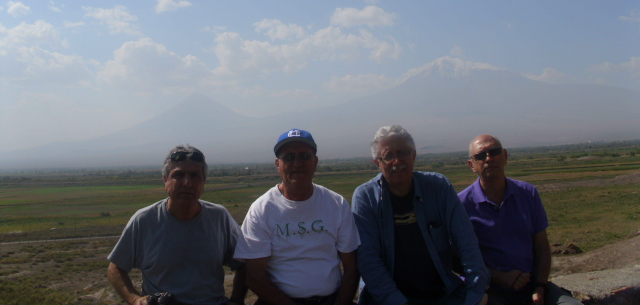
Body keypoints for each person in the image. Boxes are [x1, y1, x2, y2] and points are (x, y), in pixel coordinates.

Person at [352, 125, 489, 305]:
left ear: (414, 155)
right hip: (387, 298)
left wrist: (476, 293)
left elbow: (467, 243)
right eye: (388, 156)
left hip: (442, 294)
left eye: (403, 153)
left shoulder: (438, 187)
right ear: (378, 162)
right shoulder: (366, 198)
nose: (397, 161)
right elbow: (369, 261)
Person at [233, 128, 360, 305]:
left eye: (304, 156)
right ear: (278, 164)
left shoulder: (336, 204)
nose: (297, 163)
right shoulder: (262, 210)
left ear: (315, 162)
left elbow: (352, 268)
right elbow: (254, 277)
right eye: (289, 157)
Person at [107, 145, 245, 305]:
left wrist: (237, 300)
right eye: (178, 175)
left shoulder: (219, 217)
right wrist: (135, 300)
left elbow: (245, 263)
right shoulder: (144, 220)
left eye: (195, 176)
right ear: (165, 180)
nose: (187, 183)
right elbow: (115, 268)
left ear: (204, 182)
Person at [458, 135, 581, 305]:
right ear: (471, 165)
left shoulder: (528, 193)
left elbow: (541, 245)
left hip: (531, 286)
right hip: (488, 289)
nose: (489, 158)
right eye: (480, 155)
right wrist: (498, 276)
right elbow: (456, 259)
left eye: (494, 152)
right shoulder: (461, 205)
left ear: (505, 156)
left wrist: (540, 286)